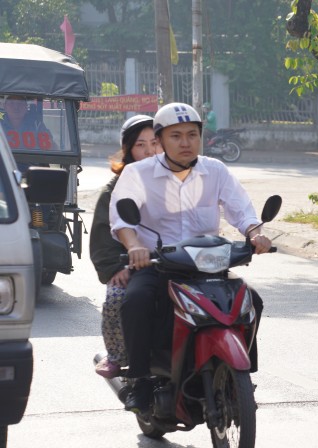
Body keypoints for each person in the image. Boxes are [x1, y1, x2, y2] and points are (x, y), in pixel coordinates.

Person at [110, 102, 272, 413]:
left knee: (253, 302)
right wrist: (134, 248)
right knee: (137, 301)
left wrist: (255, 234)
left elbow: (242, 210)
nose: (185, 143)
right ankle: (141, 379)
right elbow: (123, 222)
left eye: (192, 135)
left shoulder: (215, 170)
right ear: (160, 140)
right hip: (158, 265)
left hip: (207, 265)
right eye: (176, 136)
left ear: (200, 137)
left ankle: (241, 378)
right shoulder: (138, 173)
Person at [90, 115, 162, 378]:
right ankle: (117, 355)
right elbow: (102, 234)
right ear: (129, 150)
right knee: (117, 297)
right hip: (132, 263)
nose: (149, 151)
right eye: (140, 145)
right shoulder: (115, 189)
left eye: (154, 142)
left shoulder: (175, 178)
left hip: (176, 261)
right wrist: (114, 268)